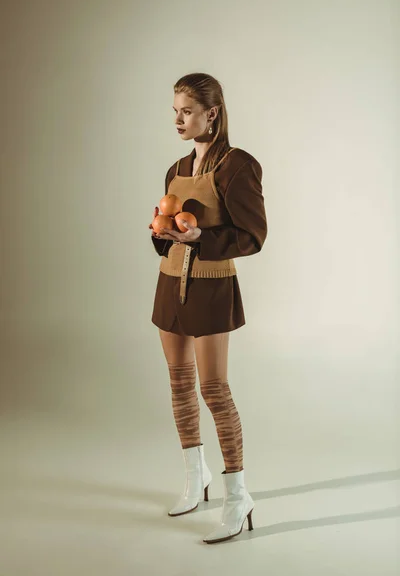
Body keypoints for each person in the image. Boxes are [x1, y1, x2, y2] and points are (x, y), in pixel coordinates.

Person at [149, 73, 267, 544]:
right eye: (175, 110)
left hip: (212, 285)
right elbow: (170, 238)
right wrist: (162, 235)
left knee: (213, 388)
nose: (178, 119)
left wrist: (201, 237)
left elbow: (253, 236)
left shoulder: (238, 165)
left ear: (212, 113)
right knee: (179, 383)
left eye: (187, 111)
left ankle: (238, 495)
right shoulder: (176, 166)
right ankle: (195, 478)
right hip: (169, 284)